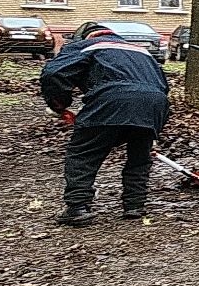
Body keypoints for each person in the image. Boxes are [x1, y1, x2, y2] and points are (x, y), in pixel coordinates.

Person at [40, 22, 171, 225]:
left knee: (83, 153)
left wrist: (59, 105)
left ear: (85, 37)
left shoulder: (86, 46)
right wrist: (152, 128)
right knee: (139, 156)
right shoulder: (141, 52)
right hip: (154, 103)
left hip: (111, 99)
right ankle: (135, 205)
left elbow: (53, 74)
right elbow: (162, 84)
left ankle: (77, 207)